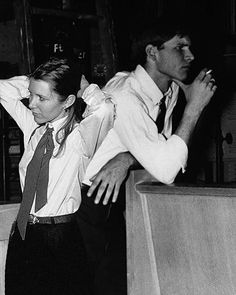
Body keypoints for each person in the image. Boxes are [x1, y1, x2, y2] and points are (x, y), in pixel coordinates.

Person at [76, 18, 217, 295]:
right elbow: (166, 169)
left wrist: (128, 157)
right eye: (180, 47)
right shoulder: (126, 95)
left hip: (113, 199)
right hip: (83, 204)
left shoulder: (169, 90)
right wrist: (194, 109)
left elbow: (161, 151)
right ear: (152, 52)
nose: (191, 55)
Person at [1, 57, 115, 295]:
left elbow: (104, 109)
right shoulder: (33, 127)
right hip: (23, 233)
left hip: (60, 237)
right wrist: (35, 84)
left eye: (42, 99)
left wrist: (84, 88)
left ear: (68, 101)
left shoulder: (80, 137)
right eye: (31, 96)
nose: (32, 104)